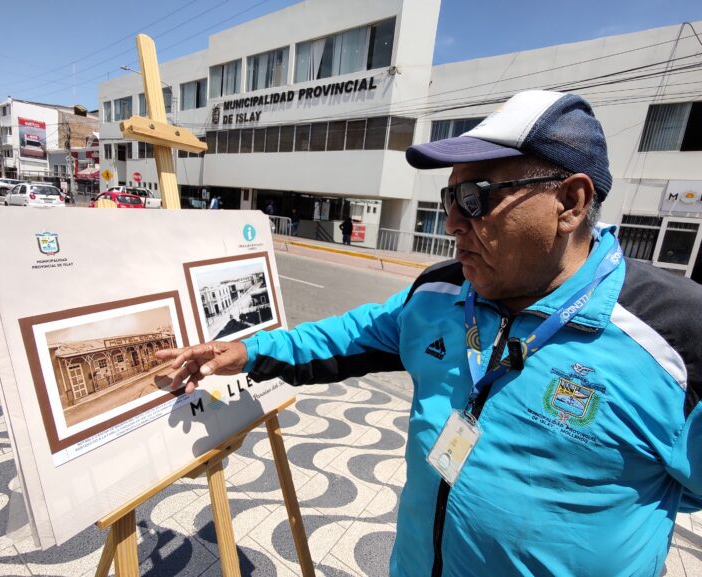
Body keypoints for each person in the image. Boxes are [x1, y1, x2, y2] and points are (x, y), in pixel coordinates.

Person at [156, 90, 701, 577]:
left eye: (476, 198)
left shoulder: (677, 339)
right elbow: (349, 337)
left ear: (570, 203)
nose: (453, 223)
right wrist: (249, 350)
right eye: (449, 200)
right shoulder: (442, 291)